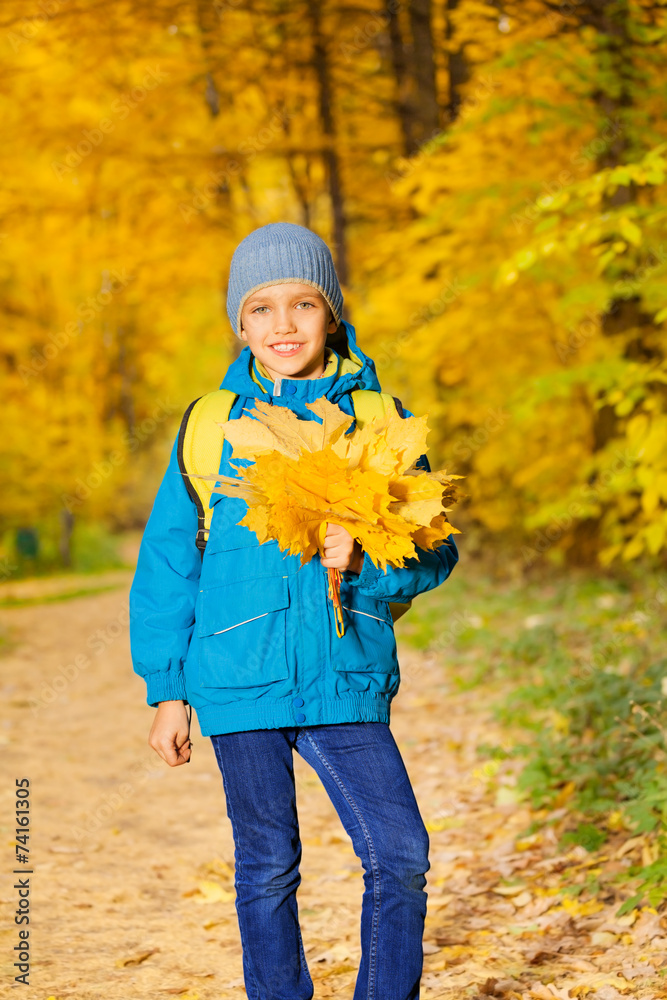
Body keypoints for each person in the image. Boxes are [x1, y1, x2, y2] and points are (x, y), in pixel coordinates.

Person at [129, 221, 459, 1000]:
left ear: (331, 313)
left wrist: (370, 563)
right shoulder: (211, 426)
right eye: (262, 308)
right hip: (236, 681)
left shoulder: (380, 418)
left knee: (399, 856)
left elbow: (436, 550)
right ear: (239, 325)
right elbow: (171, 563)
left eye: (303, 304)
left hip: (344, 675)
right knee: (267, 867)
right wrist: (166, 689)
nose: (283, 325)